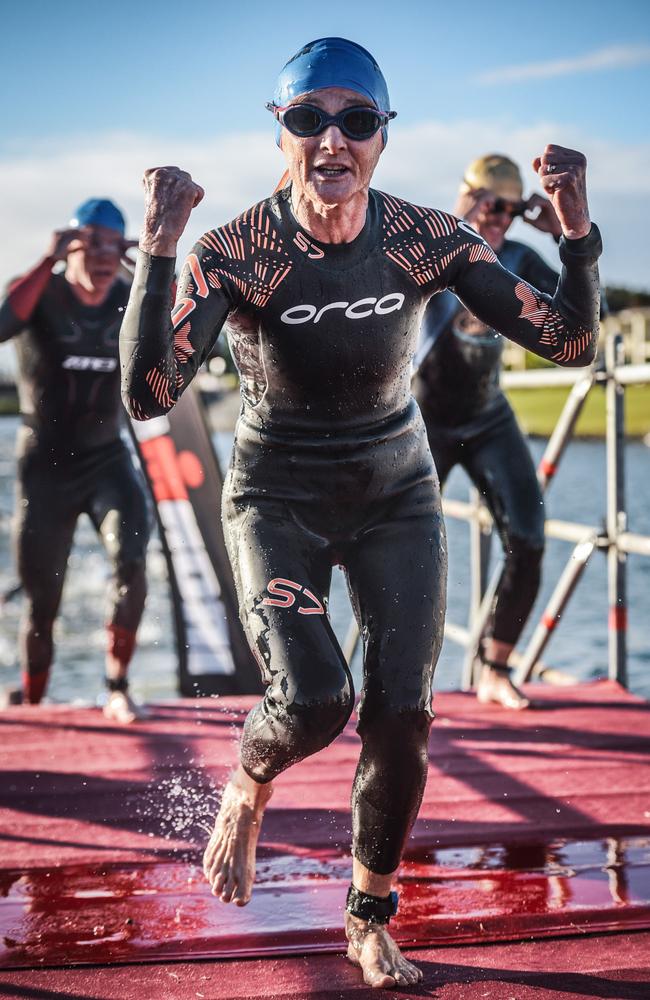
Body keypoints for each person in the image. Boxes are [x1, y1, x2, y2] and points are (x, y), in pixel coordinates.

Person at [120, 37, 601, 989]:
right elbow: (148, 393)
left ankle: (368, 915)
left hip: (396, 495)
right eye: (309, 119)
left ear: (383, 137)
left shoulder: (426, 238)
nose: (332, 139)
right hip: (276, 496)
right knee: (313, 703)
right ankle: (249, 786)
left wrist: (580, 232)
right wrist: (159, 248)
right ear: (281, 133)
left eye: (356, 120)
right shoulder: (237, 250)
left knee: (399, 716)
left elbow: (572, 341)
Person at [413, 154, 565, 710]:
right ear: (469, 197)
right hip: (424, 418)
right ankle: (398, 679)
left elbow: (583, 311)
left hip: (485, 415)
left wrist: (562, 234)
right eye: (488, 203)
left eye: (509, 208)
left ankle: (495, 669)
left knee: (528, 536)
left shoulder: (521, 257)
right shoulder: (439, 246)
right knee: (400, 547)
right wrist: (460, 218)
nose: (497, 217)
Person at [0, 199, 150, 724]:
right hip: (45, 467)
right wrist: (47, 260)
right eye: (92, 240)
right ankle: (35, 702)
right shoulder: (42, 291)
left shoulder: (132, 297)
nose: (104, 254)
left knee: (132, 558)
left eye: (115, 243)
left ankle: (117, 686)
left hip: (107, 458)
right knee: (43, 599)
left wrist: (146, 262)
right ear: (71, 243)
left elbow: (180, 328)